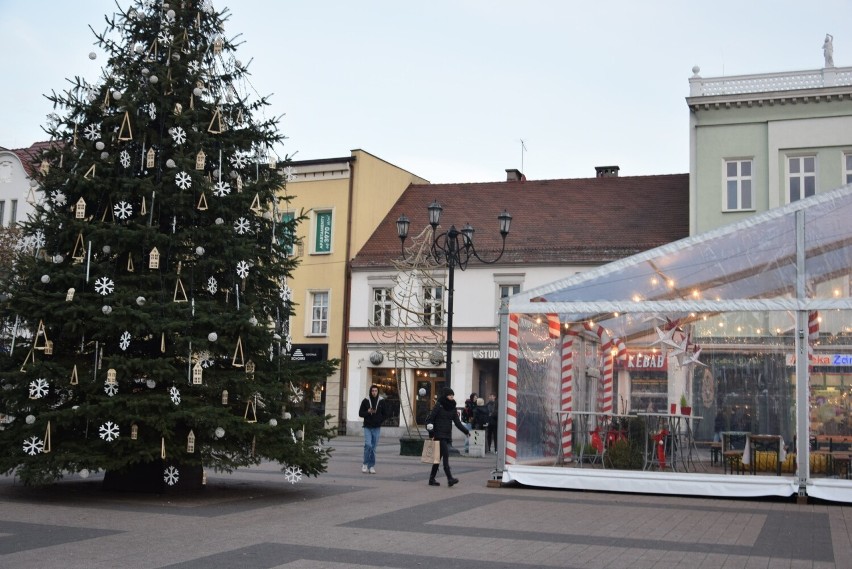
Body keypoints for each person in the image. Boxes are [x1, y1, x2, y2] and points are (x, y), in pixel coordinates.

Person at [425, 387, 470, 486]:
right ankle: (450, 478)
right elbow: (430, 419)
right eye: (450, 395)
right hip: (439, 434)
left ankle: (431, 479)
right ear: (446, 396)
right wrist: (431, 432)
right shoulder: (439, 405)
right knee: (446, 455)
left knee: (438, 458)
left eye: (453, 396)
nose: (452, 397)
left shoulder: (453, 407)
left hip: (447, 434)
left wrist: (466, 431)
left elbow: (457, 422)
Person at [358, 385, 386, 474]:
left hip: (377, 427)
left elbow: (386, 413)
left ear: (378, 392)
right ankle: (365, 464)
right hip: (367, 427)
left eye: (376, 391)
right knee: (368, 445)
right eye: (373, 391)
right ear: (370, 391)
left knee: (373, 447)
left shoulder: (381, 401)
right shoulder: (365, 401)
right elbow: (360, 413)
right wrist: (368, 412)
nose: (374, 392)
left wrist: (380, 420)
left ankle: (371, 466)